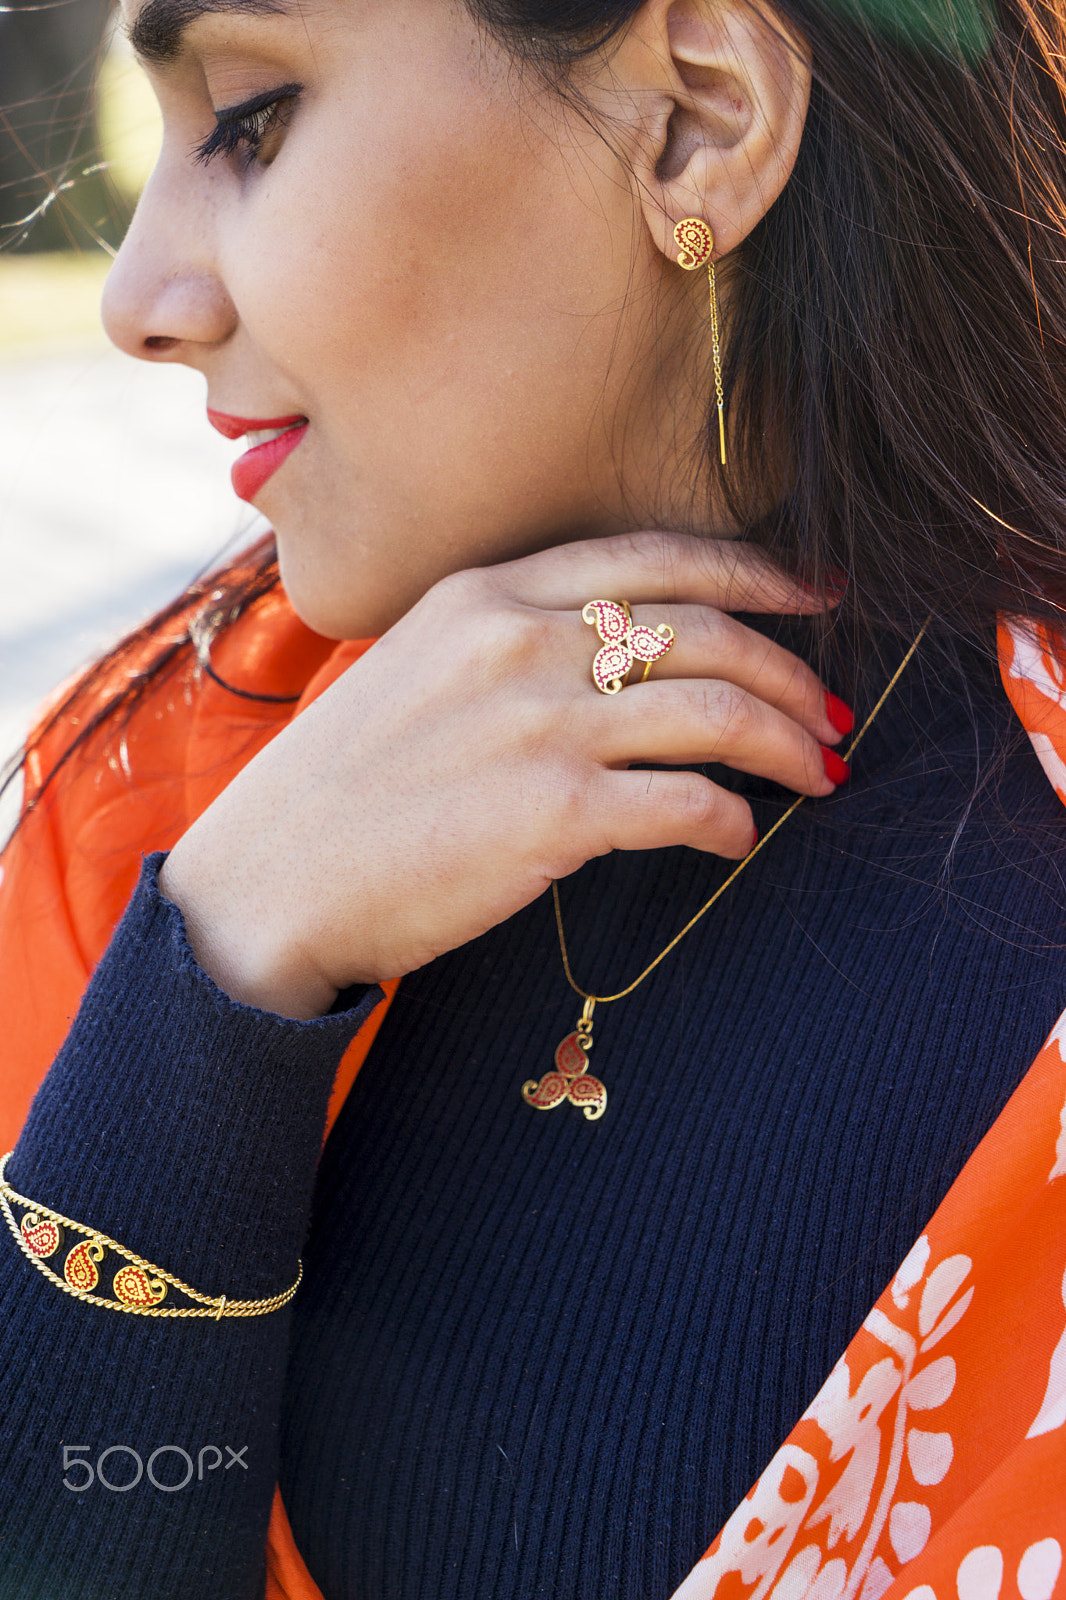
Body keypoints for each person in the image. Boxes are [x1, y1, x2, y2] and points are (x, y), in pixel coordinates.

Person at [0, 0, 1065, 1596]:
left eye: (254, 117)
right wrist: (211, 981)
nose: (141, 300)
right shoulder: (166, 800)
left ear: (695, 119)